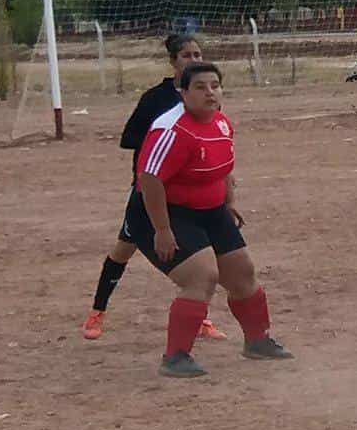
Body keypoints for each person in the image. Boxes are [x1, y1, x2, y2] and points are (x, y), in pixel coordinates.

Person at [129, 63, 294, 378]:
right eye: (200, 87)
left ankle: (258, 341)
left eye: (215, 86)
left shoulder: (221, 122)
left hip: (210, 210)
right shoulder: (171, 129)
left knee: (242, 274)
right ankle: (175, 357)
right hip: (162, 212)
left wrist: (228, 203)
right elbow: (149, 179)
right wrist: (162, 229)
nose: (210, 93)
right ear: (183, 93)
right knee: (201, 276)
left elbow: (223, 168)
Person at [82, 33, 226, 344]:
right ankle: (97, 311)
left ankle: (200, 318)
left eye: (198, 54)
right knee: (124, 250)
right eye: (186, 55)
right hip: (151, 191)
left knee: (199, 257)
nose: (194, 60)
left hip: (188, 195)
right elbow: (129, 138)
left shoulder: (205, 98)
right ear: (173, 61)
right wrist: (166, 139)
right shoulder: (156, 99)